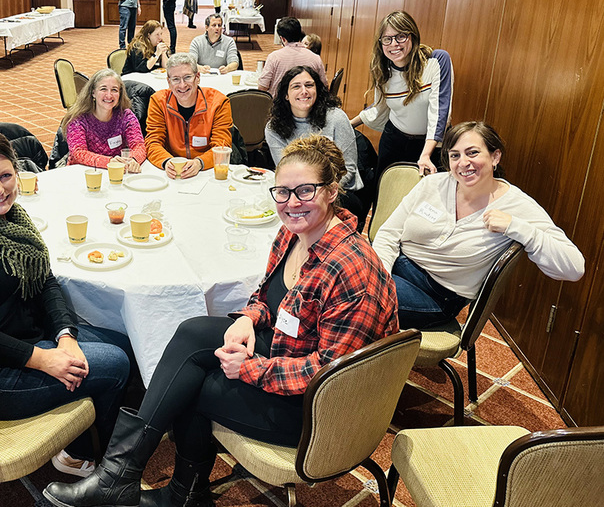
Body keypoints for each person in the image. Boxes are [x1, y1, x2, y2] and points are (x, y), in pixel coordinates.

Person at [43, 134, 398, 507]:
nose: (292, 203)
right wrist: (248, 317)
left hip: (317, 408)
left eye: (305, 191)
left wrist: (252, 369)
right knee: (192, 330)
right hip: (287, 350)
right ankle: (127, 477)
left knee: (190, 385)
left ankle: (167, 491)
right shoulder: (293, 234)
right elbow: (267, 292)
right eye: (283, 192)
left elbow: (330, 371)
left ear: (331, 191)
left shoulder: (351, 269)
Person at [0, 128, 130, 477]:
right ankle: (88, 460)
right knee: (115, 364)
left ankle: (83, 438)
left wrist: (66, 337)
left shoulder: (13, 219)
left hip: (28, 339)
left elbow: (45, 282)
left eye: (6, 175)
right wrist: (44, 359)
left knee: (124, 343)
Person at [372, 121, 584, 330]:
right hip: (397, 265)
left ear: (495, 157)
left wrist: (517, 227)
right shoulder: (433, 184)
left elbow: (574, 269)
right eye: (455, 155)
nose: (463, 162)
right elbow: (389, 233)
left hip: (436, 296)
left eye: (472, 153)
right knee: (346, 270)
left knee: (356, 294)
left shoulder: (517, 205)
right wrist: (380, 276)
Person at [350, 10, 453, 177]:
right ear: (381, 43)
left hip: (430, 147)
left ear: (412, 36)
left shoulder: (436, 61)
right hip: (394, 142)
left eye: (401, 36)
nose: (394, 44)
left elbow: (440, 112)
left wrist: (426, 154)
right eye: (387, 39)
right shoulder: (383, 72)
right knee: (385, 196)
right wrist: (347, 125)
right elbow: (378, 108)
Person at [265, 66, 365, 226]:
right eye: (296, 86)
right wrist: (304, 195)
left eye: (309, 85)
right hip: (298, 192)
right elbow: (285, 170)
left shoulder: (336, 118)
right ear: (286, 94)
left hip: (340, 191)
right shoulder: (274, 128)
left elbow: (349, 169)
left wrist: (321, 194)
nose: (304, 91)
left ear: (317, 90)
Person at [145, 53, 233, 179]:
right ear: (168, 82)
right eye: (175, 79)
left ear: (197, 77)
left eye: (187, 77)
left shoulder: (218, 103)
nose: (182, 85)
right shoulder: (158, 101)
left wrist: (199, 163)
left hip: (207, 172)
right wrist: (166, 161)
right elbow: (153, 142)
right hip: (173, 173)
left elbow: (221, 147)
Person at [63, 69, 146, 171]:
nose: (109, 95)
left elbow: (139, 145)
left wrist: (134, 159)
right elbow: (78, 153)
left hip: (116, 173)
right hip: (83, 172)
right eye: (103, 89)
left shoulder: (126, 116)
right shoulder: (78, 120)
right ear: (93, 92)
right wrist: (109, 162)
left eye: (114, 90)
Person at [258, 17, 328, 97]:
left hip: (279, 107)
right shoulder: (315, 58)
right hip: (307, 105)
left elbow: (262, 87)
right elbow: (324, 86)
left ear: (282, 39)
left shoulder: (274, 57)